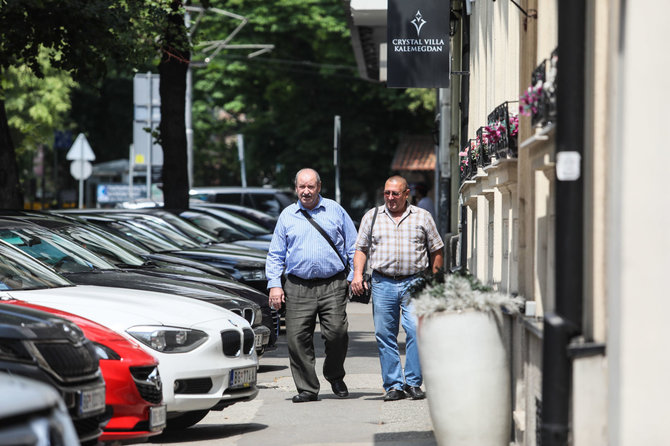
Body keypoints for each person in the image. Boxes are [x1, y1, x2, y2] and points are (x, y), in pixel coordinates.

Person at [266, 168, 358, 403]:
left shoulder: (335, 210)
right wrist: (275, 285)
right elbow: (275, 254)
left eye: (310, 186)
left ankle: (335, 374)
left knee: (337, 332)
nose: (306, 191)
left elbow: (353, 245)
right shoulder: (287, 215)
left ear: (319, 187)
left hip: (333, 283)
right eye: (301, 187)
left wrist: (354, 275)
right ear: (295, 188)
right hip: (297, 286)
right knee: (297, 337)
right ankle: (307, 388)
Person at [350, 175, 444, 402]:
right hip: (383, 282)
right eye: (387, 193)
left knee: (416, 331)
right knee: (385, 335)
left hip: (414, 282)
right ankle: (393, 385)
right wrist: (358, 274)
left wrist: (433, 280)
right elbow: (361, 248)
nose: (390, 198)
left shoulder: (423, 216)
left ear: (406, 194)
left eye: (395, 194)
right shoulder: (372, 216)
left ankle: (412, 382)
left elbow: (437, 250)